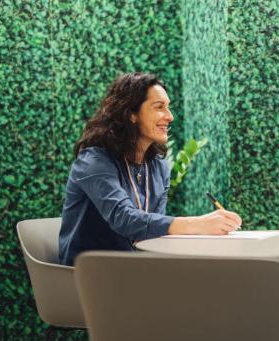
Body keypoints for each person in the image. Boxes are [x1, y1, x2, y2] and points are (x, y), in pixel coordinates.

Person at [59, 72, 241, 266]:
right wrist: (196, 224)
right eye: (159, 107)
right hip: (89, 275)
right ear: (132, 114)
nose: (170, 116)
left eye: (168, 107)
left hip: (134, 270)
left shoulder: (159, 166)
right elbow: (124, 219)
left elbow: (154, 229)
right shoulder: (93, 160)